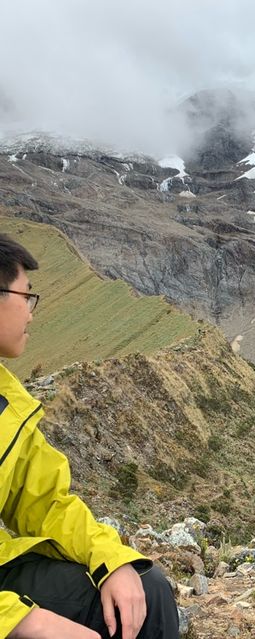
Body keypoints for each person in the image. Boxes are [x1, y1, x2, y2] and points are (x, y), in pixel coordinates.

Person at [0, 234, 179, 639]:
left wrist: (112, 560)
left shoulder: (7, 401)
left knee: (145, 591)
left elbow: (46, 503)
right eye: (25, 297)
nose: (31, 314)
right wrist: (20, 621)